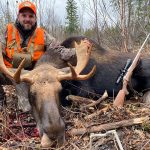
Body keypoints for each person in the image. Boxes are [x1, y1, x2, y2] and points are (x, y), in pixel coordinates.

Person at [0, 1, 77, 110]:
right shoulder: (8, 30)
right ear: (18, 16)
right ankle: (1, 101)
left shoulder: (42, 34)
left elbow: (59, 50)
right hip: (9, 73)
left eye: (31, 16)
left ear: (35, 18)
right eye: (24, 15)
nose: (27, 19)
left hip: (33, 77)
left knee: (27, 109)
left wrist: (78, 51)